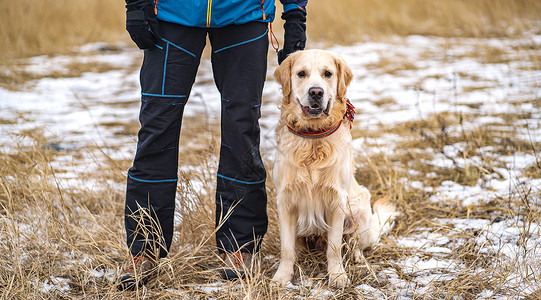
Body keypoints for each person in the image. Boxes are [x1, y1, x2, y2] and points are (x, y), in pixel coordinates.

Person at [117, 0, 308, 290]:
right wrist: (137, 5)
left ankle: (239, 246)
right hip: (171, 14)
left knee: (242, 127)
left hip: (244, 14)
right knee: (157, 128)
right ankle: (144, 249)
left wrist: (295, 14)